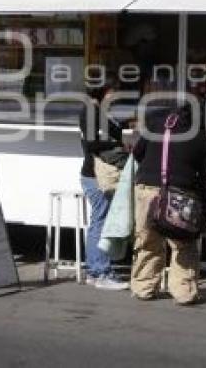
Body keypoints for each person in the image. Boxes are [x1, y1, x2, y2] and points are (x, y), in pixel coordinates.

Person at [131, 101, 206, 304]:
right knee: (183, 243)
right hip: (181, 194)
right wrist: (203, 211)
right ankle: (184, 292)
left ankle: (144, 287)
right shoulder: (203, 140)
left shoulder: (157, 126)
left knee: (147, 240)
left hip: (147, 190)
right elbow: (205, 178)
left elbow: (137, 153)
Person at [79, 82, 129, 290]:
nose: (115, 96)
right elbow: (91, 144)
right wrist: (118, 145)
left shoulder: (97, 111)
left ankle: (95, 270)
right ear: (103, 93)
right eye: (112, 92)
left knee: (99, 220)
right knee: (99, 222)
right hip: (96, 175)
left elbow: (114, 131)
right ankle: (100, 271)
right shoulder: (91, 112)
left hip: (94, 174)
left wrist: (125, 126)